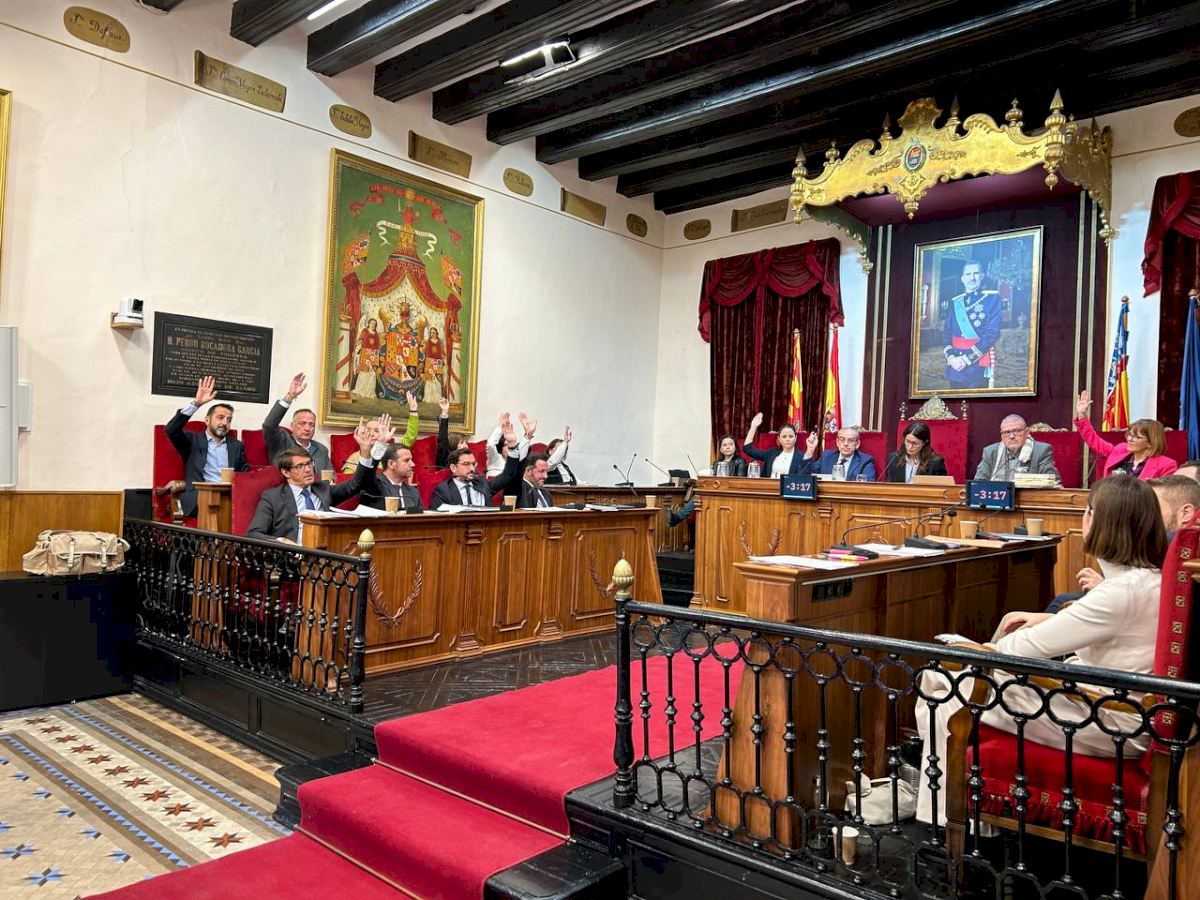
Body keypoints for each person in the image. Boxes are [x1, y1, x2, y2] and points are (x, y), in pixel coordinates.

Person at [915, 475, 1167, 825]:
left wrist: (984, 648)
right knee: (967, 675)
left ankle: (945, 820)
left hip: (1108, 720)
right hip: (1121, 709)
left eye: (1087, 511)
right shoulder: (1149, 580)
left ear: (1098, 521)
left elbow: (1015, 651)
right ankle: (969, 818)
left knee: (944, 680)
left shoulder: (1119, 592)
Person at [1046, 475, 1199, 612]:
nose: (1145, 515)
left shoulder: (1171, 544)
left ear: (1186, 513)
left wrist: (1105, 587)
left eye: (1153, 508)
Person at [246, 418, 380, 543]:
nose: (308, 470)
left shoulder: (323, 490)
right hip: (292, 554)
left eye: (309, 464)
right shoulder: (273, 497)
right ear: (286, 472)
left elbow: (356, 484)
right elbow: (254, 533)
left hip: (325, 551)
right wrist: (281, 542)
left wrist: (365, 451)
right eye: (300, 466)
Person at [165, 375, 250, 518]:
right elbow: (171, 430)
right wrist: (196, 403)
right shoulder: (192, 441)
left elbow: (244, 473)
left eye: (229, 420)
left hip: (229, 498)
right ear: (207, 420)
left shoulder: (236, 446)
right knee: (214, 515)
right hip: (199, 500)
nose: (225, 423)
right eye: (220, 417)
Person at [1073, 390, 1177, 479]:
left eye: (1136, 437)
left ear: (1151, 442)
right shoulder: (1120, 450)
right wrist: (1082, 415)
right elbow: (1094, 441)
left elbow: (1164, 493)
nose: (1129, 439)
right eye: (1130, 434)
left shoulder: (1166, 465)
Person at [942, 259, 1001, 390]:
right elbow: (947, 333)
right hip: (955, 364)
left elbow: (992, 334)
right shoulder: (955, 302)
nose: (972, 278)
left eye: (976, 273)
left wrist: (966, 359)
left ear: (982, 276)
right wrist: (951, 357)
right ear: (962, 278)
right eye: (968, 274)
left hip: (977, 365)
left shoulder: (992, 300)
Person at [431, 423, 521, 508]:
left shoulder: (483, 484)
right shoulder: (443, 491)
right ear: (453, 468)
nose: (472, 468)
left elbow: (509, 473)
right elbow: (437, 518)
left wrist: (512, 445)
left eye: (473, 464)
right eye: (466, 464)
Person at [666, 436, 746, 526]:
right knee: (698, 495)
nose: (728, 447)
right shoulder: (716, 463)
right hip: (716, 490)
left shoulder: (740, 462)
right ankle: (676, 518)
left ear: (735, 447)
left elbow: (740, 481)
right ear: (721, 450)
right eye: (725, 445)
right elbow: (713, 478)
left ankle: (677, 519)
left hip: (730, 492)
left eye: (731, 444)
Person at [262, 372, 331, 475]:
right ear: (292, 426)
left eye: (311, 424)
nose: (307, 428)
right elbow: (269, 425)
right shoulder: (281, 441)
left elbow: (329, 476)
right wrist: (290, 396)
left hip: (316, 485)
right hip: (287, 485)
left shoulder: (321, 449)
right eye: (302, 423)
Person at [339, 393, 421, 473]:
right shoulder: (354, 458)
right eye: (368, 430)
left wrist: (413, 412)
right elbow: (347, 480)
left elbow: (410, 438)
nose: (371, 434)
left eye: (376, 431)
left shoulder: (390, 452)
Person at [973, 415, 1059, 482]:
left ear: (1027, 432)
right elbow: (979, 482)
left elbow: (1052, 481)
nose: (1011, 436)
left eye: (1017, 431)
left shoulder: (1041, 451)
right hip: (998, 498)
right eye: (1006, 432)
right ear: (1002, 436)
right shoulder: (990, 452)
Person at [359, 443, 423, 513]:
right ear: (391, 464)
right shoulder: (374, 485)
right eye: (406, 460)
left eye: (411, 460)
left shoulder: (414, 492)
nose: (413, 464)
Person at [798, 427, 877, 481]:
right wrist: (810, 450)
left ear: (857, 444)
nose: (845, 444)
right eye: (842, 440)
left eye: (850, 440)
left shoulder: (865, 461)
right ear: (837, 442)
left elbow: (868, 485)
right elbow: (804, 476)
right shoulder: (826, 456)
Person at [884, 422, 948, 483]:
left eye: (915, 443)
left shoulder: (936, 462)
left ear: (925, 442)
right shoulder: (894, 458)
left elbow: (941, 488)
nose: (910, 446)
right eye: (908, 441)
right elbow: (889, 485)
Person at [435, 397, 471, 468]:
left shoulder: (468, 458)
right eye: (462, 443)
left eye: (465, 443)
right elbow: (442, 440)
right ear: (453, 445)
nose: (466, 446)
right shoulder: (445, 456)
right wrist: (444, 412)